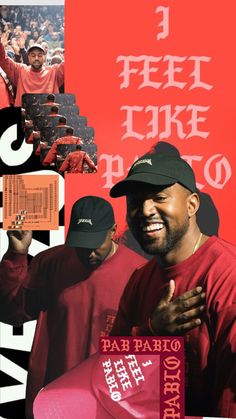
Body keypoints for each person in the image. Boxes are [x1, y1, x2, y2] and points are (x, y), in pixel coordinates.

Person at [110, 152, 236, 418]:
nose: (144, 211)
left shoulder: (228, 273)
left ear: (191, 205)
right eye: (135, 201)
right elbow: (111, 372)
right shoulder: (139, 279)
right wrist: (150, 332)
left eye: (159, 197)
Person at [0, 196, 145, 418]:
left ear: (112, 231)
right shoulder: (51, 262)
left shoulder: (140, 273)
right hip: (55, 398)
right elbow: (11, 312)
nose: (88, 253)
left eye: (95, 244)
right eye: (81, 244)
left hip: (111, 402)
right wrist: (17, 255)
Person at [0, 35, 64, 106]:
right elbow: (3, 60)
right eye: (33, 55)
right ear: (28, 57)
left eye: (39, 55)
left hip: (48, 116)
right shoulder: (20, 70)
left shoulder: (54, 72)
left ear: (44, 57)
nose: (36, 58)